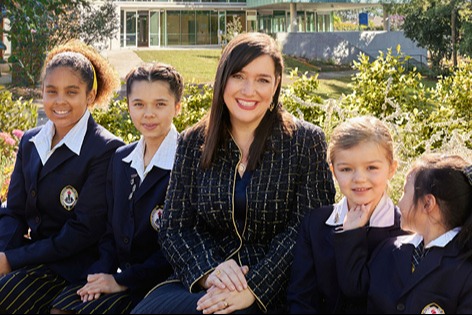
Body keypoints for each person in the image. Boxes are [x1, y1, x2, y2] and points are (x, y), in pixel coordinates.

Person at [131, 32, 336, 314]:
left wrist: (254, 288)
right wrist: (210, 272)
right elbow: (176, 228)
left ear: (276, 85)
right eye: (239, 76)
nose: (249, 90)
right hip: (203, 282)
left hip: (275, 289)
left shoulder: (305, 141)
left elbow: (306, 228)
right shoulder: (193, 142)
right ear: (223, 79)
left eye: (263, 80)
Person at [0, 39, 124, 314]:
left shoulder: (105, 148)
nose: (59, 101)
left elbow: (83, 231)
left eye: (71, 92)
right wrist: (3, 254)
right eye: (51, 91)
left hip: (78, 265)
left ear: (89, 96)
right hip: (35, 257)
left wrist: (12, 259)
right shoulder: (31, 141)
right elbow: (14, 211)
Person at [49, 62, 183, 314]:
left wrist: (121, 281)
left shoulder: (186, 162)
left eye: (160, 104)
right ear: (129, 105)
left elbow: (174, 249)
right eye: (139, 104)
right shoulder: (121, 159)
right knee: (63, 306)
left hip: (161, 281)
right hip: (120, 274)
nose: (148, 114)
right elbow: (110, 232)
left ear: (177, 106)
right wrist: (100, 274)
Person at [287, 116, 408, 313]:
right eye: (346, 169)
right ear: (333, 172)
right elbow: (301, 298)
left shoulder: (406, 230)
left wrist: (352, 236)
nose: (359, 179)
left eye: (372, 168)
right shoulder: (315, 224)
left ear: (391, 169)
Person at [335, 153, 472, 313]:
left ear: (428, 203)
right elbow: (355, 287)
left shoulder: (465, 268)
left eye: (404, 192)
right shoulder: (390, 248)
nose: (399, 202)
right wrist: (352, 230)